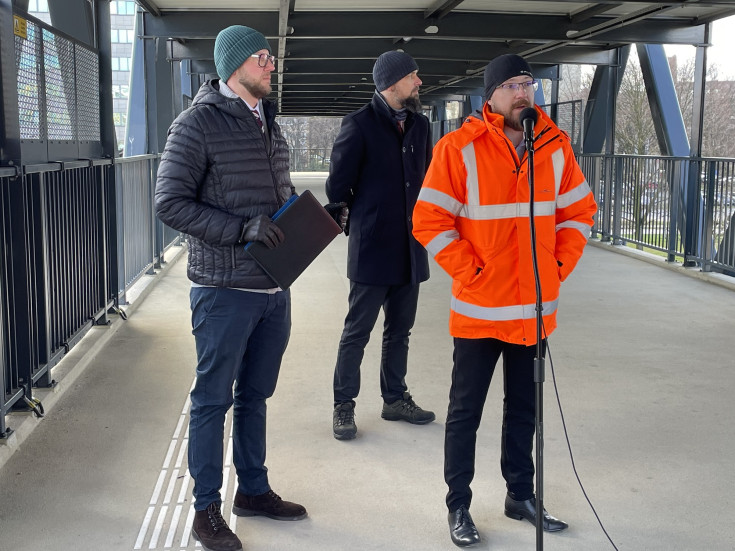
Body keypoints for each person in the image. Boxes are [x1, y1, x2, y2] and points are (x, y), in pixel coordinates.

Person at [155, 24, 345, 551]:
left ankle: (253, 490)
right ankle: (205, 510)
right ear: (235, 65)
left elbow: (276, 199)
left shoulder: (268, 125)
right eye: (263, 57)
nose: (271, 64)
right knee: (213, 399)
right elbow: (170, 204)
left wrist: (320, 219)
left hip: (272, 289)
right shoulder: (196, 125)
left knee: (255, 394)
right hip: (223, 289)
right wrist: (240, 230)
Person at [412, 54, 597, 547]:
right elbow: (428, 219)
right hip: (479, 311)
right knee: (465, 412)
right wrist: (472, 269)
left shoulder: (555, 147)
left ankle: (520, 495)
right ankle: (459, 507)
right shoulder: (459, 149)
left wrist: (557, 267)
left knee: (524, 411)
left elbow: (579, 213)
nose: (523, 93)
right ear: (490, 95)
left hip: (533, 310)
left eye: (529, 85)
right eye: (513, 85)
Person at [326, 51, 435, 441]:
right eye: (413, 77)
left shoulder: (421, 126)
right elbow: (337, 188)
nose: (419, 83)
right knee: (358, 331)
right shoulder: (358, 125)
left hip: (411, 248)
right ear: (392, 84)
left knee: (400, 331)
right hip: (373, 248)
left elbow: (428, 179)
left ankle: (394, 398)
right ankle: (344, 405)